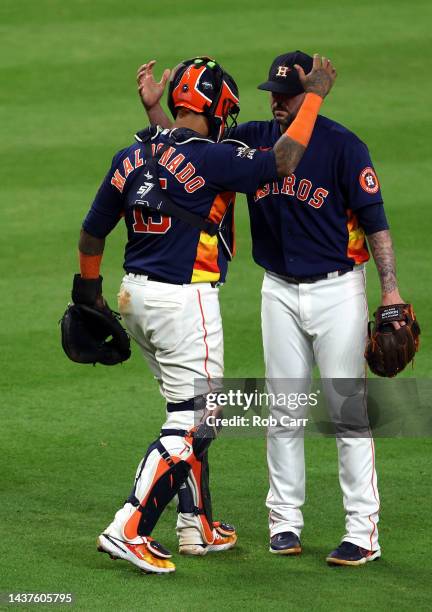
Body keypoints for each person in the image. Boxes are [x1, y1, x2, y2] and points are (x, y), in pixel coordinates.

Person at [139, 50, 408, 566]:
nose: (277, 102)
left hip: (338, 291)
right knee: (283, 412)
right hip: (278, 292)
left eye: (287, 95)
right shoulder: (255, 139)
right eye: (274, 94)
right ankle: (284, 523)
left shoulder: (344, 147)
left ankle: (362, 533)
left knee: (347, 414)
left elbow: (375, 222)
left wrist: (390, 291)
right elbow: (191, 152)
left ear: (311, 94)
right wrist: (157, 113)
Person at [75, 54, 336, 574]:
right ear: (216, 109)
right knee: (199, 420)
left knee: (188, 408)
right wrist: (314, 99)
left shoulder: (134, 153)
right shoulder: (216, 157)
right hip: (183, 300)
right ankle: (128, 527)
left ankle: (196, 526)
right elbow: (282, 161)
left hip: (134, 299)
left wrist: (88, 292)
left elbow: (94, 229)